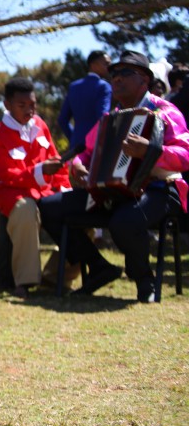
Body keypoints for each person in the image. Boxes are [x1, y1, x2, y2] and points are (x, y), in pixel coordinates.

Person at [39, 50, 189, 302]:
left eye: (124, 73)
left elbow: (185, 155)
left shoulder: (165, 112)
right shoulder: (110, 119)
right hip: (112, 193)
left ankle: (144, 278)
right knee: (48, 207)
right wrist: (77, 165)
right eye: (114, 74)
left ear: (144, 79)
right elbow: (85, 152)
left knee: (125, 221)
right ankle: (99, 267)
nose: (116, 79)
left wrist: (152, 151)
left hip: (159, 189)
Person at [0, 77, 71, 298]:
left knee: (80, 208)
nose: (29, 110)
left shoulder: (41, 126)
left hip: (44, 194)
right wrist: (41, 172)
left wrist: (65, 189)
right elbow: (7, 175)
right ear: (7, 105)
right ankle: (25, 282)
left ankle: (55, 277)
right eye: (22, 105)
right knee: (26, 210)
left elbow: (56, 161)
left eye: (32, 105)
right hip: (11, 196)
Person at [58, 50, 112, 149]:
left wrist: (74, 137)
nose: (110, 67)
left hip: (76, 146)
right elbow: (103, 117)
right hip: (96, 146)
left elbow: (62, 119)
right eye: (106, 64)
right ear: (93, 65)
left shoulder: (74, 86)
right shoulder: (104, 86)